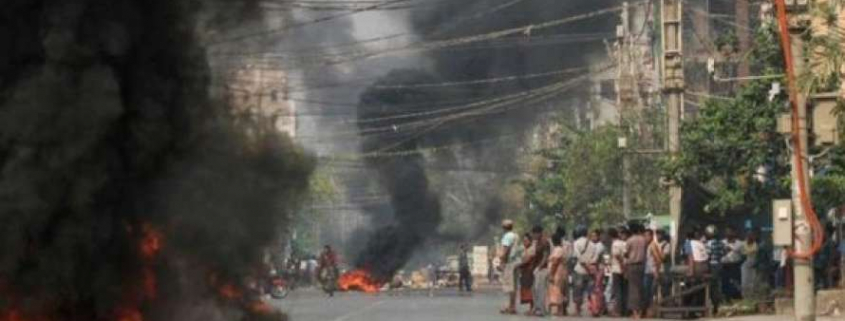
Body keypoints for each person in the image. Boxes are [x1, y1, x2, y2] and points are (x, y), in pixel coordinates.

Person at [573, 228, 605, 316]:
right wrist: (590, 265)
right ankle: (595, 310)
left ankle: (577, 310)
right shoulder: (592, 244)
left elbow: (577, 256)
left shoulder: (576, 243)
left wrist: (585, 264)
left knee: (578, 290)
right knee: (592, 291)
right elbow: (595, 257)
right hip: (590, 270)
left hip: (579, 269)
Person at [625, 223, 647, 319]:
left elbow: (626, 253)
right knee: (640, 288)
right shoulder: (643, 240)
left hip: (632, 265)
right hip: (642, 265)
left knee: (633, 289)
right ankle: (641, 311)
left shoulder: (629, 240)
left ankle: (635, 312)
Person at [498, 219, 521, 315]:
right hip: (516, 262)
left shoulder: (507, 236)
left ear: (504, 228)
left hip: (509, 263)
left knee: (509, 286)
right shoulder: (515, 235)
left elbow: (506, 250)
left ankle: (510, 307)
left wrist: (502, 262)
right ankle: (512, 306)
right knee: (514, 286)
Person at [530, 226, 551, 316]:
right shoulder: (537, 242)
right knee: (535, 289)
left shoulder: (544, 242)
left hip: (542, 269)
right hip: (537, 269)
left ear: (538, 233)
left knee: (541, 290)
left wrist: (539, 267)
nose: (533, 236)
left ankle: (541, 310)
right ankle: (536, 308)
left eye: (534, 234)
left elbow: (545, 257)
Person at [547, 228, 569, 316]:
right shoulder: (560, 249)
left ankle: (560, 310)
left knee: (557, 290)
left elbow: (555, 262)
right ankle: (560, 309)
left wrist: (552, 274)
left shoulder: (558, 249)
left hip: (557, 272)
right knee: (560, 290)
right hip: (561, 271)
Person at [608, 228, 628, 316]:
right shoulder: (624, 243)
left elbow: (617, 255)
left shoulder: (615, 244)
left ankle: (618, 311)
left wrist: (621, 267)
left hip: (617, 269)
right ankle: (624, 310)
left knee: (618, 291)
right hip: (625, 268)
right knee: (624, 290)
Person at [644, 229, 664, 317]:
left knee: (651, 293)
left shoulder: (652, 245)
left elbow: (658, 259)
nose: (645, 238)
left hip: (651, 273)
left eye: (647, 236)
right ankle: (650, 311)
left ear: (651, 236)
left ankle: (651, 312)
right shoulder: (650, 245)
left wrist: (656, 271)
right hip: (649, 271)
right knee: (649, 293)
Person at [720, 227, 744, 300]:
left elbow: (744, 255)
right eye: (727, 232)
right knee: (725, 283)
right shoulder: (721, 243)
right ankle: (726, 299)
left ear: (734, 233)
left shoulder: (740, 243)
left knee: (736, 283)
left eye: (730, 232)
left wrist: (739, 262)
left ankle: (737, 298)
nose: (728, 234)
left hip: (735, 266)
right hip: (725, 266)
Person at [705, 225, 725, 308]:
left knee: (712, 285)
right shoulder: (721, 243)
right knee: (718, 284)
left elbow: (707, 255)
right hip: (720, 264)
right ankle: (719, 302)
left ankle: (715, 304)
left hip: (712, 265)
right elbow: (723, 252)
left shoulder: (709, 243)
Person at [519, 233, 537, 314]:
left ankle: (533, 308)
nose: (524, 242)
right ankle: (531, 308)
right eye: (523, 241)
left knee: (530, 289)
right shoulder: (525, 249)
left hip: (529, 271)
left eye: (526, 241)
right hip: (525, 271)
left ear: (530, 241)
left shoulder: (532, 249)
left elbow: (527, 260)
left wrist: (518, 266)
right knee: (527, 289)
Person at [741, 230, 759, 298]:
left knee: (752, 282)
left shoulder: (756, 244)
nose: (750, 237)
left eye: (752, 235)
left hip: (754, 265)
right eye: (749, 235)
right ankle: (745, 296)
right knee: (745, 281)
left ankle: (752, 296)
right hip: (745, 265)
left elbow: (755, 253)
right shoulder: (743, 244)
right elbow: (742, 253)